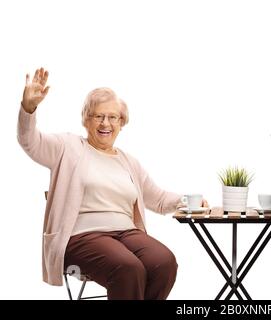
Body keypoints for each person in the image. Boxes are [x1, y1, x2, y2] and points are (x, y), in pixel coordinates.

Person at [17, 68, 209, 300]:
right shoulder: (67, 147)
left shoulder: (128, 162)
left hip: (126, 234)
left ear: (121, 122)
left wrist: (188, 201)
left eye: (112, 117)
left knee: (163, 263)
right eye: (98, 116)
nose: (105, 123)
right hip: (81, 237)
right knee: (129, 268)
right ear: (86, 120)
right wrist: (28, 109)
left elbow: (157, 199)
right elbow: (30, 142)